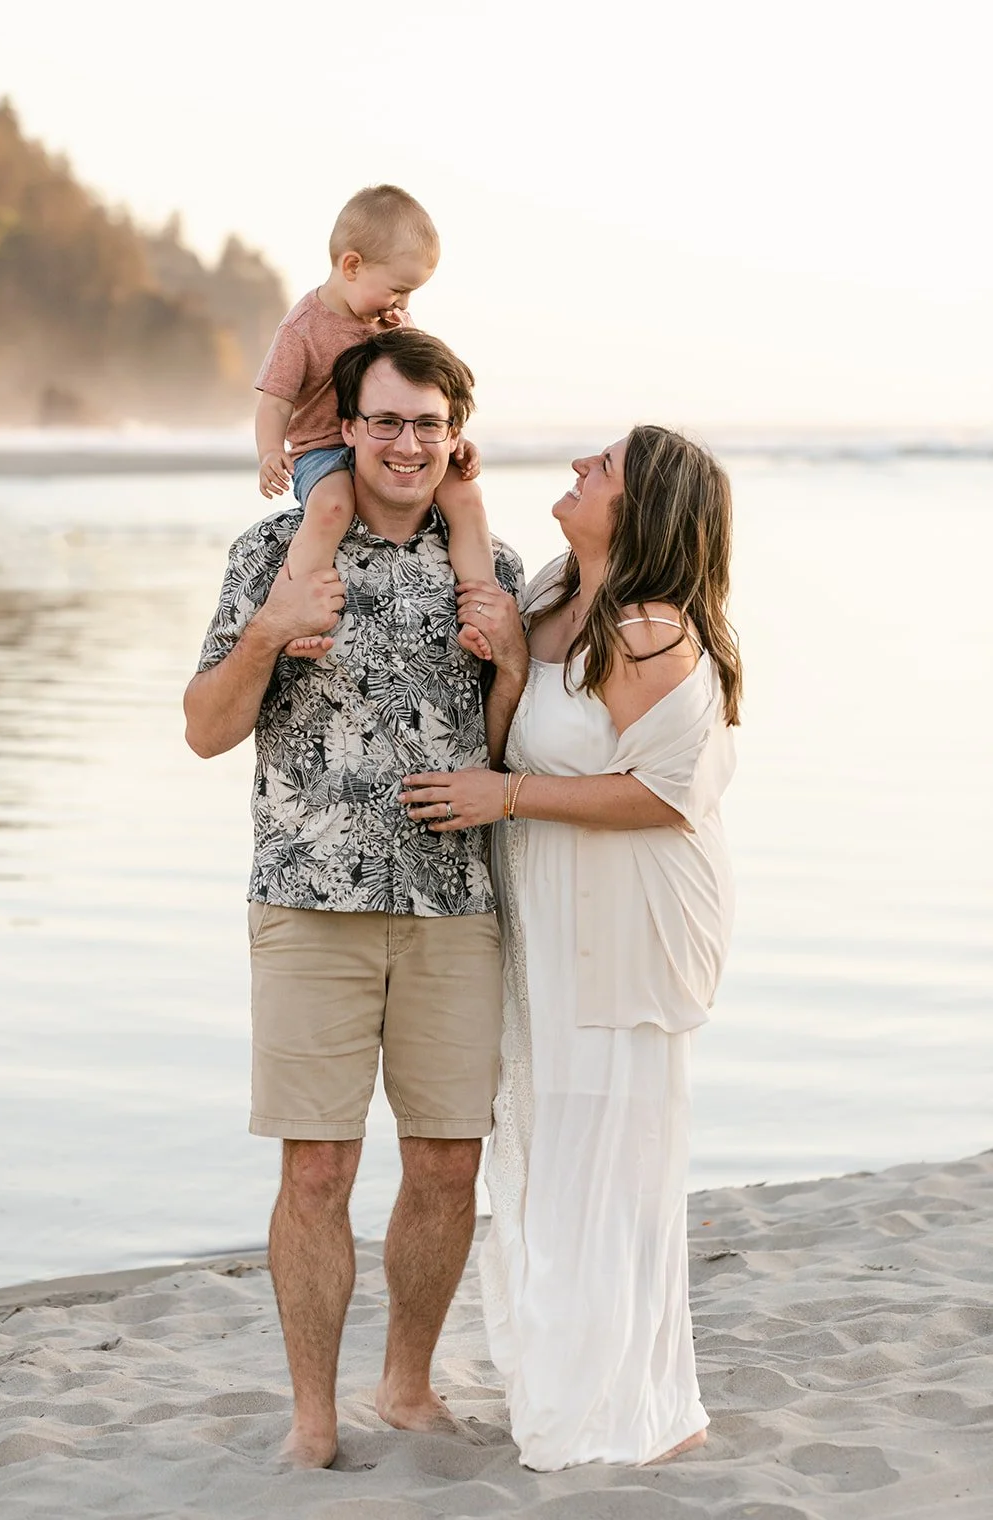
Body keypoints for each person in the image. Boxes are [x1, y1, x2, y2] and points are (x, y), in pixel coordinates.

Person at [183, 327, 524, 1471]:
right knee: (316, 1166)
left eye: (428, 424)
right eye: (384, 419)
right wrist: (270, 635)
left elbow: (510, 753)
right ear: (346, 427)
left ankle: (410, 1384)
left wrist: (512, 663)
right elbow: (203, 729)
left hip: (451, 906)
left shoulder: (493, 567)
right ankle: (313, 1416)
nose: (406, 443)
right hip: (307, 899)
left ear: (454, 436)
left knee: (445, 1163)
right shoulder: (273, 552)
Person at [399, 425, 741, 1470]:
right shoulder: (553, 593)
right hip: (546, 906)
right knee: (550, 1156)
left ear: (637, 512)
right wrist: (464, 513)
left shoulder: (650, 632)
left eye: (604, 468)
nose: (581, 468)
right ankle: (571, 1379)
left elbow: (660, 794)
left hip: (621, 919)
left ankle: (625, 1406)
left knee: (606, 1163)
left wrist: (500, 794)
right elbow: (513, 712)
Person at [254, 183, 492, 657]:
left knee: (465, 494)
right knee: (332, 509)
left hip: (380, 441)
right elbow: (275, 401)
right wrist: (269, 452)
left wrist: (453, 440)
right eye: (397, 290)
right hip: (322, 449)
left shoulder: (391, 321)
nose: (402, 305)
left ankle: (485, 606)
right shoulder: (302, 329)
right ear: (352, 266)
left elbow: (429, 386)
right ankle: (299, 608)